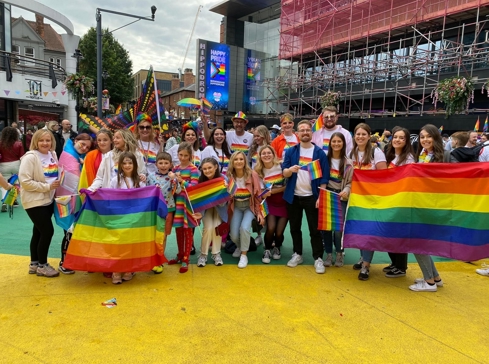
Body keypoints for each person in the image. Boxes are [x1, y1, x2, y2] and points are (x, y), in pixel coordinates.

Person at [282, 120, 330, 274]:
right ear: (297, 133)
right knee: (295, 228)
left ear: (311, 133)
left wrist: (320, 196)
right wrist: (290, 170)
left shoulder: (319, 153)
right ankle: (298, 254)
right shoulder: (291, 151)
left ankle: (318, 258)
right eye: (302, 130)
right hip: (294, 196)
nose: (305, 133)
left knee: (314, 229)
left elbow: (324, 177)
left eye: (307, 130)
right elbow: (284, 172)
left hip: (312, 196)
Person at [409, 124, 447, 292]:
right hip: (421, 202)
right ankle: (435, 277)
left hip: (432, 204)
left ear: (435, 138)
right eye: (422, 136)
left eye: (428, 136)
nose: (425, 140)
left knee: (418, 242)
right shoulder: (422, 155)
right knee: (421, 241)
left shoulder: (444, 155)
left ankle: (429, 282)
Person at [18, 129, 61, 277]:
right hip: (34, 200)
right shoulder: (30, 157)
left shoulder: (53, 154)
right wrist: (47, 187)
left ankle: (34, 263)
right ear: (35, 141)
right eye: (41, 140)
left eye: (48, 140)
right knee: (48, 231)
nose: (45, 143)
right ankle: (43, 265)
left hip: (48, 199)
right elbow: (24, 181)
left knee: (38, 231)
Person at [349, 123, 387, 280]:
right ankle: (362, 257)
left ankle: (366, 266)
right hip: (357, 198)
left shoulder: (376, 152)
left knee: (369, 232)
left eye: (363, 134)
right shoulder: (353, 153)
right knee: (359, 229)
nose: (360, 137)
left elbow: (384, 176)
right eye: (358, 134)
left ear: (369, 135)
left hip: (372, 199)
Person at [56, 133, 93, 274]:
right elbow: (71, 180)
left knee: (74, 233)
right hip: (66, 200)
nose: (84, 148)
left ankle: (72, 261)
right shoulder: (69, 156)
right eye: (82, 144)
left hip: (75, 200)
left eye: (87, 147)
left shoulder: (78, 157)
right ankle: (64, 262)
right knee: (69, 233)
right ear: (75, 141)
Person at [108, 151, 145, 284]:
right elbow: (109, 197)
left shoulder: (140, 181)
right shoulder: (115, 180)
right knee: (118, 245)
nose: (127, 165)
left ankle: (128, 269)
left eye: (130, 163)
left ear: (135, 164)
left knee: (131, 244)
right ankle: (116, 270)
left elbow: (144, 199)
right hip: (119, 218)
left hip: (134, 219)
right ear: (120, 165)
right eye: (124, 163)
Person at [383, 127, 415, 277]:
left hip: (401, 202)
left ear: (406, 141)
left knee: (398, 234)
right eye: (395, 137)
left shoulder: (409, 158)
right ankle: (394, 262)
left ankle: (401, 267)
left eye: (401, 138)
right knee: (388, 233)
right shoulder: (389, 155)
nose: (397, 140)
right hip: (389, 199)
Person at [227, 151, 264, 268]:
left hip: (250, 206)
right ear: (232, 162)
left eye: (241, 159)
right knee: (233, 235)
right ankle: (240, 246)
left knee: (244, 228)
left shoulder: (252, 175)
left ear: (245, 161)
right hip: (236, 206)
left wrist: (260, 213)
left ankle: (244, 255)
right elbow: (226, 196)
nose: (239, 162)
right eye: (236, 159)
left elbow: (258, 196)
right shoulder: (229, 176)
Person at [167, 142, 200, 273]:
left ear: (190, 156)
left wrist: (182, 181)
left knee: (188, 231)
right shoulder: (175, 169)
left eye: (186, 155)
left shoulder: (193, 170)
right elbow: (171, 186)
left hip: (188, 204)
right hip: (177, 203)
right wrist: (172, 179)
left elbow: (194, 187)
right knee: (179, 230)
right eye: (180, 155)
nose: (182, 158)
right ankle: (180, 254)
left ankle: (186, 258)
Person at [147, 152, 181, 274]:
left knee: (164, 235)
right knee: (153, 234)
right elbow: (146, 191)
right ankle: (151, 257)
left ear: (170, 164)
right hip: (154, 209)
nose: (163, 165)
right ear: (156, 164)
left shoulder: (173, 177)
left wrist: (174, 180)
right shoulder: (150, 177)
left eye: (166, 163)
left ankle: (160, 258)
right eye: (160, 163)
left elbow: (178, 190)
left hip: (168, 209)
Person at [323, 132, 353, 268]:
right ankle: (329, 254)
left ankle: (339, 252)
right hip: (326, 195)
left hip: (341, 197)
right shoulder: (324, 159)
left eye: (339, 142)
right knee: (326, 227)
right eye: (333, 141)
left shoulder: (349, 163)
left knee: (339, 229)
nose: (336, 144)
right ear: (330, 144)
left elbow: (350, 182)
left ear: (343, 144)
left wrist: (346, 190)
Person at [254, 146, 287, 263]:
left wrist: (273, 191)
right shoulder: (258, 171)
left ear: (273, 154)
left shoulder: (282, 166)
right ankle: (267, 250)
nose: (267, 155)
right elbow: (262, 194)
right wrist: (267, 193)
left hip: (284, 203)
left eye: (269, 153)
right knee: (271, 228)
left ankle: (277, 248)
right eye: (264, 153)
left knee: (279, 232)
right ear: (260, 156)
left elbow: (287, 187)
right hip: (270, 203)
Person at [195, 158, 228, 267]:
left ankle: (216, 253)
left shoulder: (223, 179)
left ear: (216, 167)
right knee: (208, 228)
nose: (207, 171)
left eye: (210, 168)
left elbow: (228, 198)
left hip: (220, 208)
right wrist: (198, 212)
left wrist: (226, 191)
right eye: (204, 169)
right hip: (206, 209)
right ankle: (203, 254)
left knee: (217, 228)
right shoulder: (201, 180)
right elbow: (198, 199)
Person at [0, 127, 24, 211]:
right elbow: (22, 156)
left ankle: (4, 201)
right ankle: (13, 200)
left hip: (3, 165)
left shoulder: (1, 143)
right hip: (16, 164)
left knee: (4, 184)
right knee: (15, 183)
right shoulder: (19, 143)